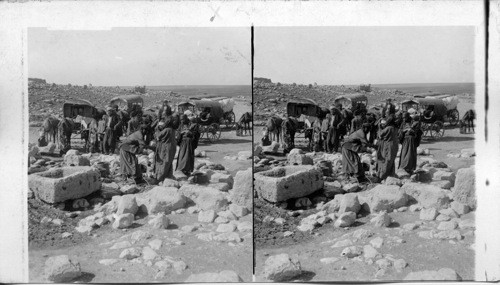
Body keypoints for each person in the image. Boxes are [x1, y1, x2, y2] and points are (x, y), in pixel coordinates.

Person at [153, 117, 177, 182]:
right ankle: (168, 175)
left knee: (163, 162)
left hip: (165, 147)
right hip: (172, 147)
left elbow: (158, 137)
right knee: (169, 162)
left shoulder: (166, 130)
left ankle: (160, 177)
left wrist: (157, 130)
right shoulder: (173, 130)